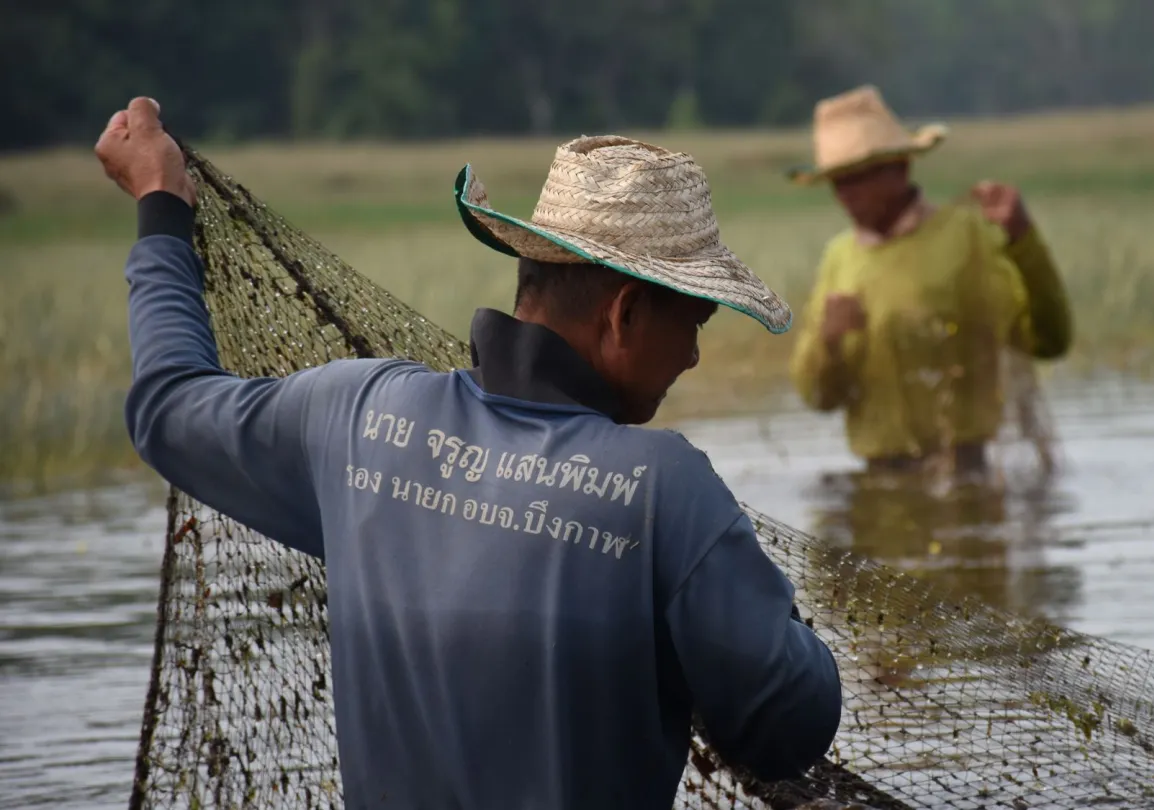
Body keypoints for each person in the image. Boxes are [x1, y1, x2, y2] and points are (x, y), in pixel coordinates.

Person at [97, 98, 840, 809]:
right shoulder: (666, 490)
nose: (695, 358)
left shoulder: (354, 417)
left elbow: (168, 406)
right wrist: (763, 615)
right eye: (695, 322)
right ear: (626, 312)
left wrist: (162, 206)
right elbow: (785, 727)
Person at [788, 85, 1073, 479]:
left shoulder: (964, 239)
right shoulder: (840, 258)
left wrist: (1023, 240)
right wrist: (829, 341)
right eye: (837, 182)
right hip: (878, 482)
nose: (845, 195)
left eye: (857, 177)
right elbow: (817, 398)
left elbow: (1048, 339)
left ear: (900, 167)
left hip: (966, 478)